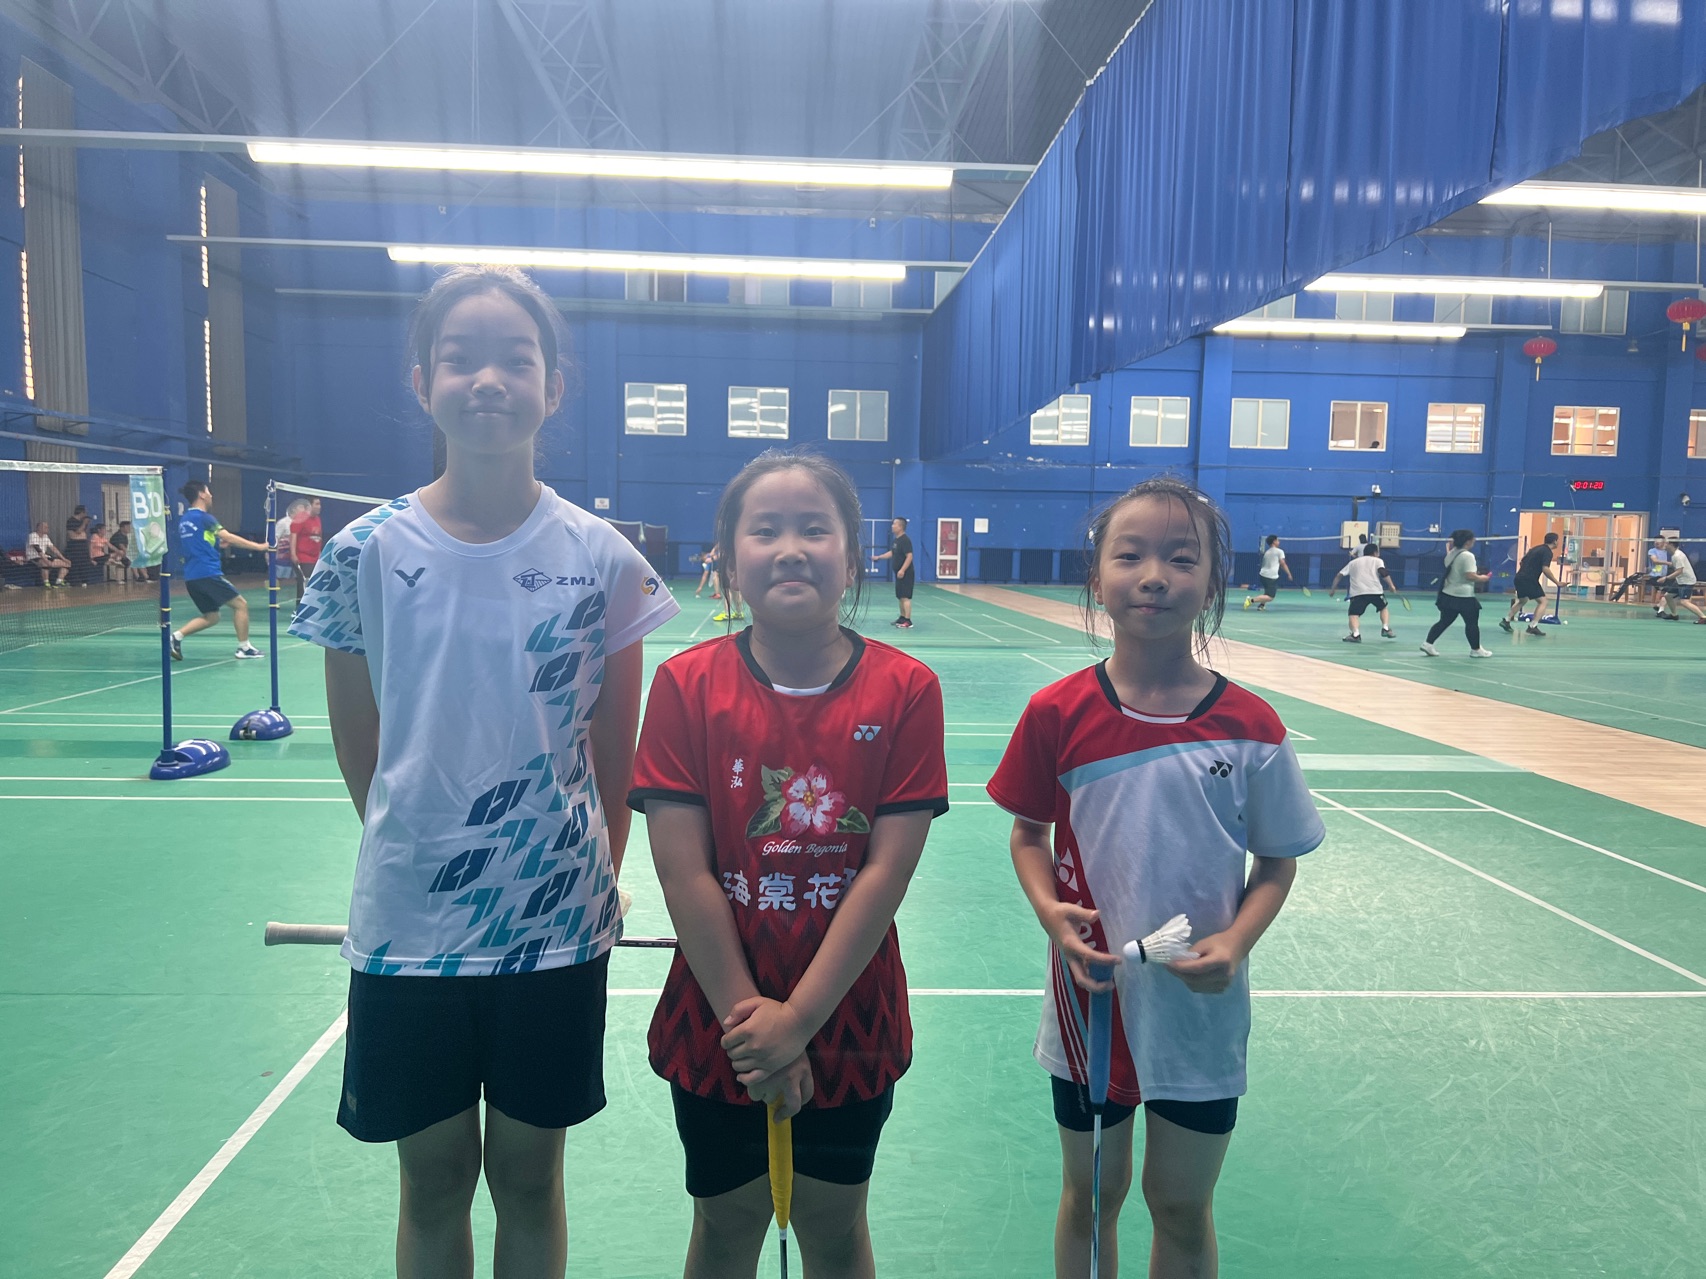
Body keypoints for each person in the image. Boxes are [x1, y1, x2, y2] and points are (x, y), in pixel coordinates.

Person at [290, 265, 679, 1279]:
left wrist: (586, 880)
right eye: (461, 358)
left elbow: (615, 759)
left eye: (516, 358)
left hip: (554, 926)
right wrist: (422, 854)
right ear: (423, 381)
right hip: (407, 926)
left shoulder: (604, 559)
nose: (489, 379)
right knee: (431, 1181)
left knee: (528, 1177)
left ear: (555, 384)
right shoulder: (362, 553)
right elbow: (364, 754)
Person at [986, 475, 1320, 1279]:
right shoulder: (1056, 712)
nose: (1154, 576)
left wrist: (1236, 942)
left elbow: (1277, 860)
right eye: (1130, 555)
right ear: (1097, 575)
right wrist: (1050, 911)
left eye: (1181, 557)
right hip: (1091, 999)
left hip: (1199, 1009)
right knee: (1091, 1195)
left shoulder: (1252, 727)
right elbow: (1027, 833)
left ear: (1212, 580)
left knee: (1180, 1204)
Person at [629, 450, 947, 1279]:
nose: (792, 548)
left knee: (835, 1227)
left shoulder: (908, 689)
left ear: (854, 554)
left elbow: (885, 873)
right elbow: (684, 873)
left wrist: (798, 1021)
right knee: (726, 1223)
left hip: (850, 1015)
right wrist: (758, 1029)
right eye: (765, 530)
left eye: (815, 528)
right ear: (730, 558)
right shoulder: (685, 685)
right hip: (719, 1015)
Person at [169, 480, 276, 661]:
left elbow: (198, 541)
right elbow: (229, 536)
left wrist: (217, 543)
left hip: (191, 577)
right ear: (201, 495)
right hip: (207, 573)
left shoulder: (185, 520)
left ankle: (176, 637)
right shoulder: (205, 518)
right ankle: (244, 648)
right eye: (208, 491)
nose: (211, 495)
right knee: (241, 605)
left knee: (212, 616)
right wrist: (259, 547)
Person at [1420, 529, 1492, 657]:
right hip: (1464, 596)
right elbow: (1469, 576)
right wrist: (1483, 578)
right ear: (1468, 541)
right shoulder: (1468, 556)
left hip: (1448, 594)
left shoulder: (1452, 553)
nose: (1474, 540)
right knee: (1472, 623)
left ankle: (1428, 643)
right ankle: (1476, 650)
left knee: (1444, 621)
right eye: (1472, 538)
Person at [1329, 542, 1397, 642]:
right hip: (1376, 591)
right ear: (1375, 552)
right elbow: (1383, 572)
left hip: (1358, 593)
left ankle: (1355, 635)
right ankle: (1385, 628)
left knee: (1353, 614)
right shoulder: (1378, 560)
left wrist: (1333, 589)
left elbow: (1339, 575)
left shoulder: (1353, 563)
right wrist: (1391, 585)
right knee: (1383, 607)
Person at [1501, 533, 1560, 637]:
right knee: (1543, 602)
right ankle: (1532, 627)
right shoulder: (1547, 552)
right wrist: (1557, 582)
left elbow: (1522, 562)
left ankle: (1506, 620)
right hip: (1529, 579)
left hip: (1519, 577)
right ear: (1555, 541)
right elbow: (1545, 569)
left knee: (1522, 600)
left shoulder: (1535, 549)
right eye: (1558, 540)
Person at [871, 515, 915, 628]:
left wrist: (902, 570)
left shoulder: (905, 540)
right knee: (900, 596)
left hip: (906, 574)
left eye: (894, 524)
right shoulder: (897, 540)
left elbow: (909, 556)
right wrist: (879, 557)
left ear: (900, 527)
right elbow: (892, 553)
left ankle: (908, 621)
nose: (892, 526)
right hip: (899, 574)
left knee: (905, 596)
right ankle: (902, 617)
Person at [283, 496, 322, 611]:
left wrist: (320, 554)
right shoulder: (300, 519)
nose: (319, 507)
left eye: (319, 504)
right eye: (317, 504)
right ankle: (301, 610)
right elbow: (293, 536)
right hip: (303, 557)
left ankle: (313, 608)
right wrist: (293, 554)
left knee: (315, 583)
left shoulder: (317, 519)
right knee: (304, 584)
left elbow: (318, 537)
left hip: (315, 558)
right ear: (309, 506)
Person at [1654, 538, 1706, 622]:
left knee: (1684, 602)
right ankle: (1674, 615)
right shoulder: (1674, 555)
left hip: (1687, 581)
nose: (1664, 545)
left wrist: (1666, 578)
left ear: (1671, 545)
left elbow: (1679, 571)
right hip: (1680, 580)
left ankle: (1703, 617)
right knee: (1668, 596)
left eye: (1666, 543)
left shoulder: (1678, 556)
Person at [1242, 534, 1292, 611]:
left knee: (1267, 591)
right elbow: (1283, 563)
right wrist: (1289, 574)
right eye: (1277, 540)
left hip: (1263, 575)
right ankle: (1250, 600)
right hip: (1271, 577)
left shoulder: (1267, 552)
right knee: (1270, 597)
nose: (1279, 541)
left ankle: (1261, 605)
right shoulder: (1280, 551)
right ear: (1274, 541)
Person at [25, 520, 70, 588]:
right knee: (45, 563)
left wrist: (64, 559)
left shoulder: (45, 536)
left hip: (45, 556)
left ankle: (59, 581)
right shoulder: (32, 535)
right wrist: (47, 561)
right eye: (45, 527)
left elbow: (53, 548)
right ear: (39, 528)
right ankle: (46, 583)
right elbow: (38, 550)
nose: (47, 529)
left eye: (47, 527)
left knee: (67, 564)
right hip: (33, 557)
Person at [64, 504, 92, 585]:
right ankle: (74, 581)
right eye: (85, 512)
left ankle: (84, 580)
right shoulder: (71, 521)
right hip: (75, 545)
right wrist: (84, 523)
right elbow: (78, 531)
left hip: (83, 544)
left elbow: (84, 532)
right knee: (76, 563)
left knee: (84, 563)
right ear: (81, 512)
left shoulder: (81, 521)